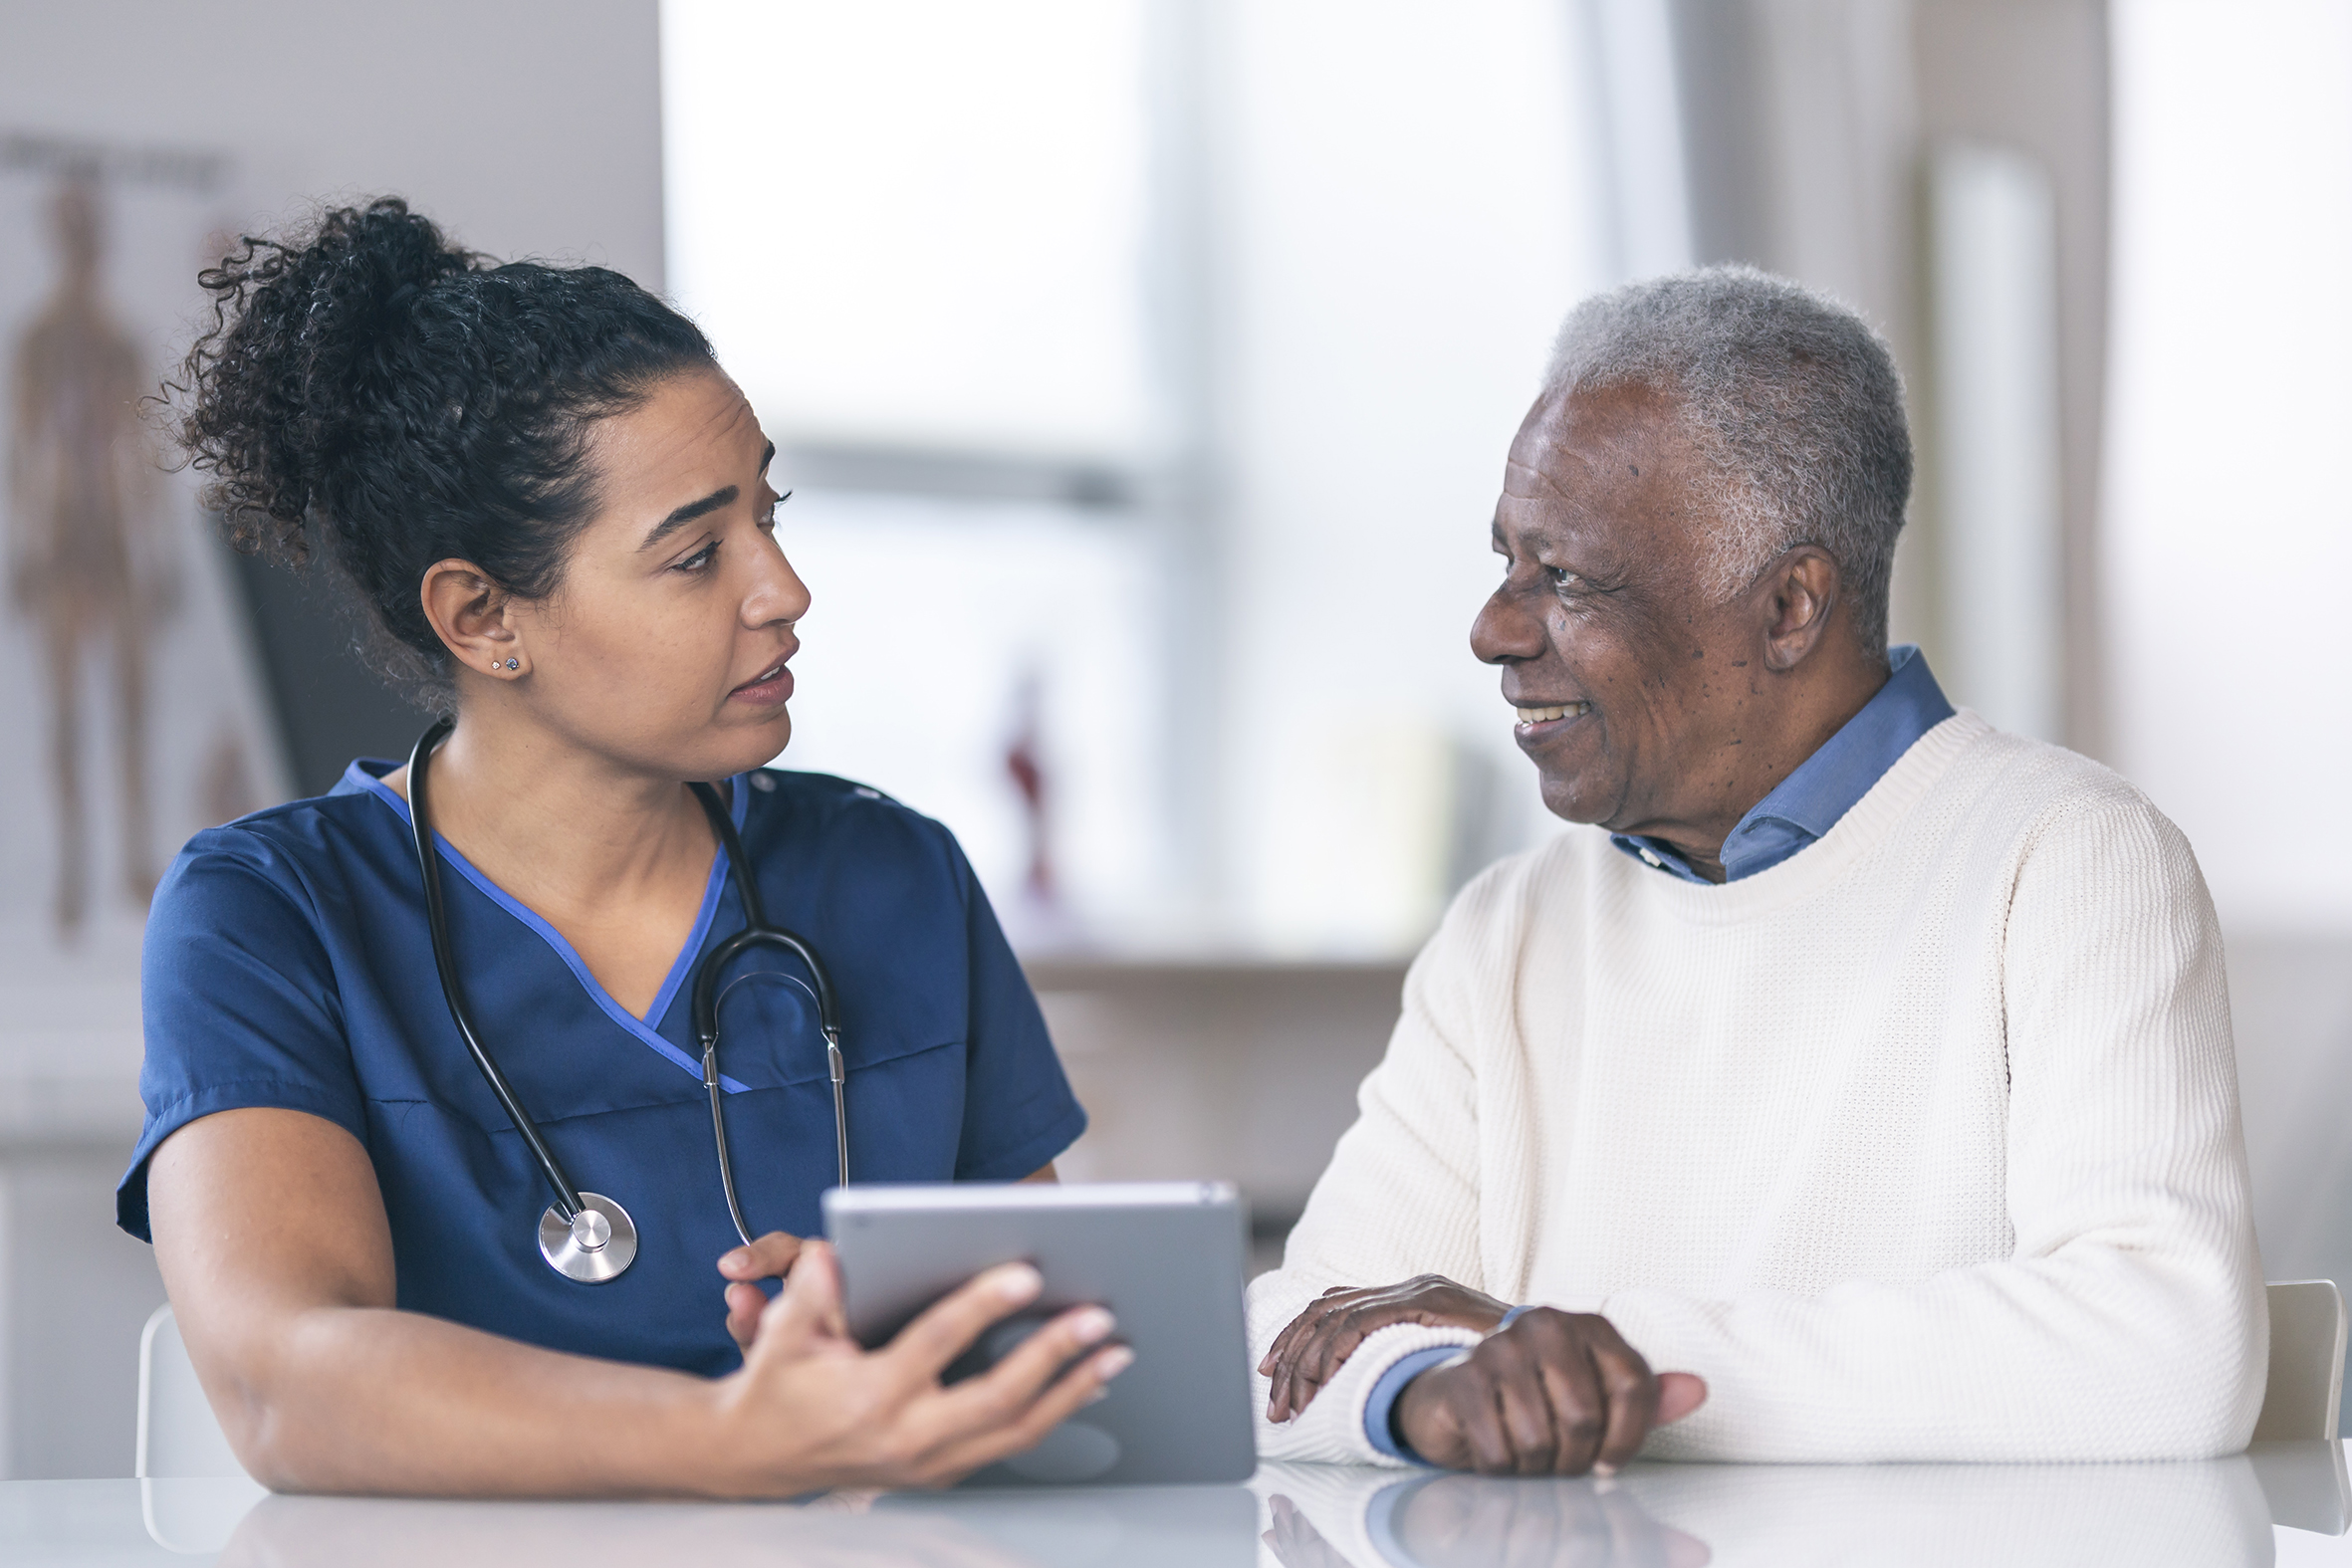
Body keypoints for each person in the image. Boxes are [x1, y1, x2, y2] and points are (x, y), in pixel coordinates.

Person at [122, 198, 1126, 1496]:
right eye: (698, 552)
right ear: (483, 617)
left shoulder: (894, 876)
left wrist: (888, 1349)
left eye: (771, 513)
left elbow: (1034, 1360)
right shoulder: (269, 914)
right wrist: (735, 1436)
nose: (782, 587)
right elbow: (287, 1379)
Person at [1252, 267, 2264, 1474]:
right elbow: (1300, 1343)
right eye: (1506, 562)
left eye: (1564, 579)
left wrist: (1581, 1356)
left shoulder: (2070, 861)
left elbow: (2163, 1349)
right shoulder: (1509, 928)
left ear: (1788, 608)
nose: (1495, 629)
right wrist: (1428, 1388)